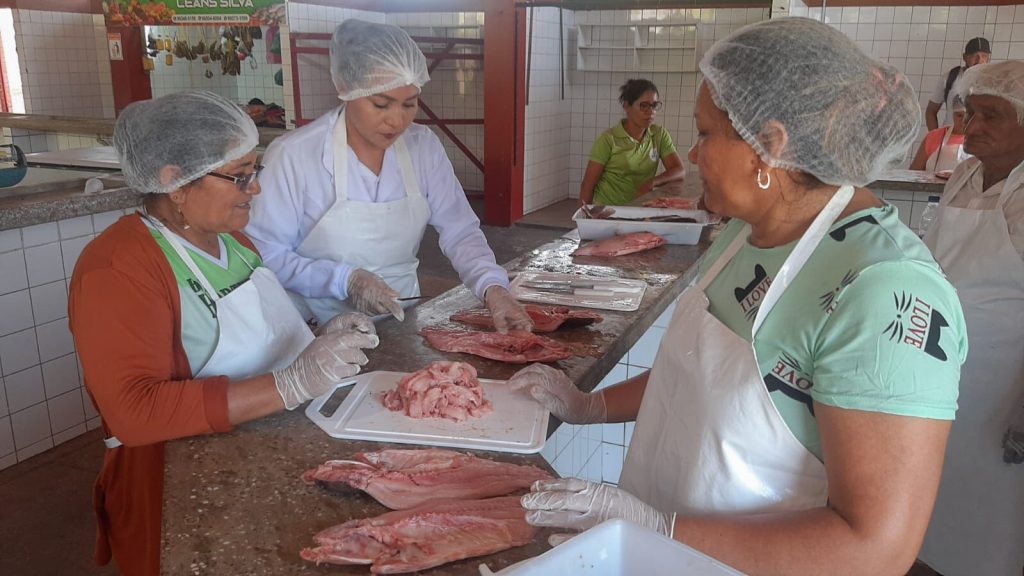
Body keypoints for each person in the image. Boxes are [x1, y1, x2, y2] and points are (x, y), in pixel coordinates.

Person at [510, 18, 969, 575]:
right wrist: (590, 407)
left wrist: (663, 530)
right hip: (659, 555)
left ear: (768, 145)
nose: (693, 155)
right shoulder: (742, 232)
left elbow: (876, 549)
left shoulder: (884, 291)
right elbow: (699, 376)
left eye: (704, 133)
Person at [68, 90, 379, 576]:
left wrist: (318, 336)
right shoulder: (120, 266)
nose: (254, 189)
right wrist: (289, 383)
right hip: (178, 485)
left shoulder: (232, 239)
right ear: (175, 182)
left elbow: (260, 326)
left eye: (254, 172)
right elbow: (134, 413)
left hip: (270, 450)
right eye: (239, 176)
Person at [246, 19, 531, 332]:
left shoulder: (422, 147)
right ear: (345, 87)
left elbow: (460, 230)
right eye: (381, 104)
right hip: (315, 328)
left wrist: (493, 287)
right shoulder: (295, 154)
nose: (397, 121)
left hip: (401, 321)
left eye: (409, 104)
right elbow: (265, 253)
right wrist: (346, 280)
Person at [919, 60, 1024, 576]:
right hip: (939, 366)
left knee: (992, 517)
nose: (972, 126)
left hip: (1005, 382)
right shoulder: (965, 173)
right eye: (970, 112)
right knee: (932, 499)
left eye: (991, 116)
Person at [578, 79, 686, 207]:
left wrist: (651, 183)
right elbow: (588, 184)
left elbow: (679, 170)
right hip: (608, 211)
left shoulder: (659, 135)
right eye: (644, 106)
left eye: (654, 105)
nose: (650, 111)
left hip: (639, 209)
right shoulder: (608, 139)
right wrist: (583, 218)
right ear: (627, 106)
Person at [925, 37, 991, 131]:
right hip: (950, 140)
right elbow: (931, 111)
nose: (979, 60)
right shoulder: (949, 78)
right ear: (965, 57)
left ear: (989, 58)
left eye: (984, 56)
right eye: (974, 55)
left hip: (979, 140)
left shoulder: (993, 82)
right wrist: (935, 137)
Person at [910, 95, 970, 172]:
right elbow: (914, 171)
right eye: (959, 115)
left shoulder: (979, 140)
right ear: (953, 114)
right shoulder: (934, 137)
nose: (963, 120)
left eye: (967, 116)